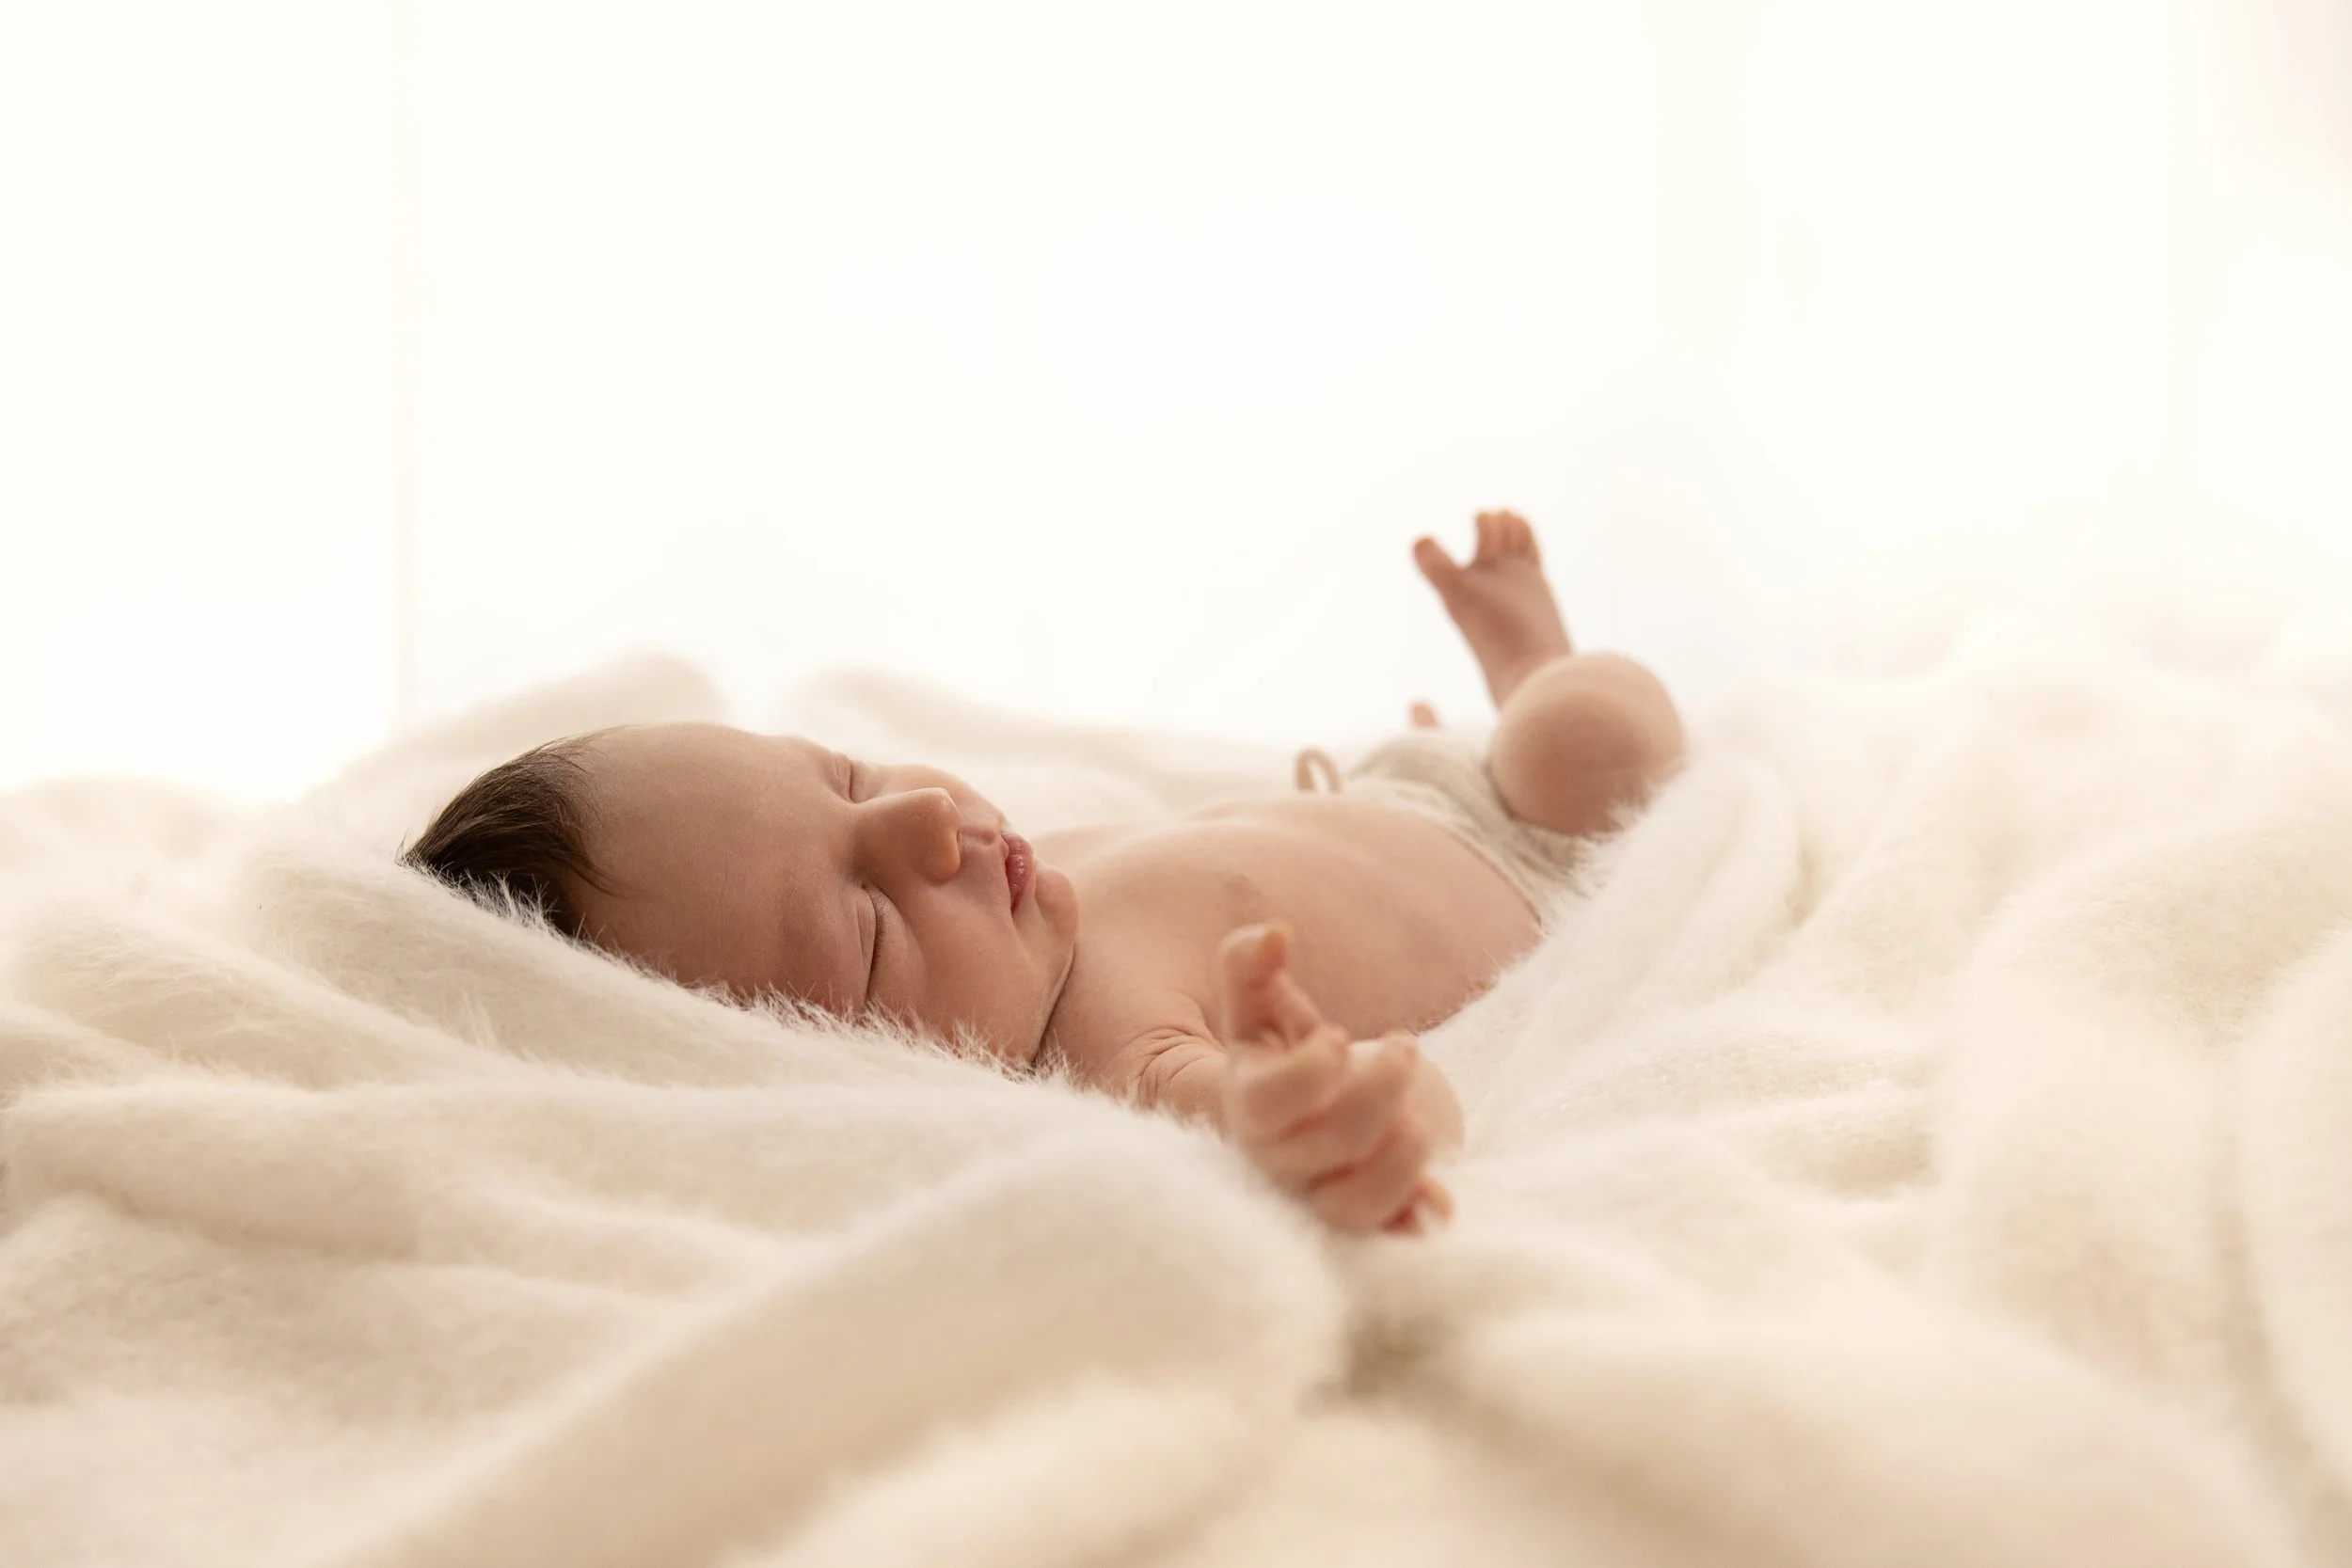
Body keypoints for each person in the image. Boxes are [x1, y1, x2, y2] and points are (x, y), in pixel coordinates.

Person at [405, 513, 1686, 1235]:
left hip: (1377, 798)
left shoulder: (1013, 902)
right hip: (1528, 840)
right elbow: (1310, 1128)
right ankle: (1535, 668)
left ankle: (1464, 725)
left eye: (848, 777)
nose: (927, 823)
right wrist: (1313, 1113)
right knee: (1605, 732)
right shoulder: (1115, 1056)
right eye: (865, 928)